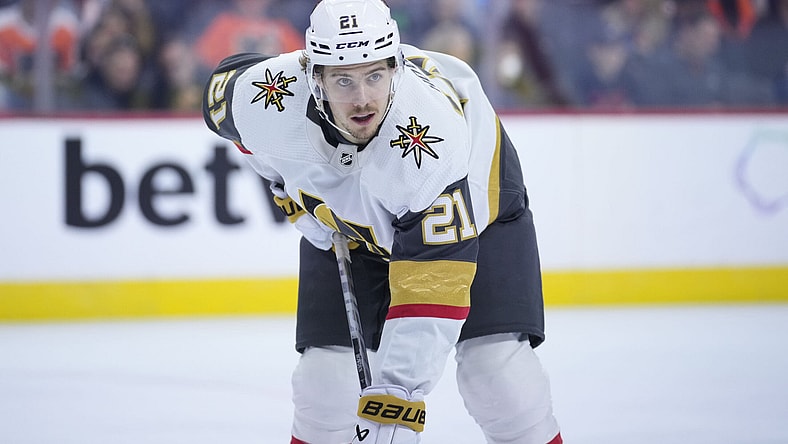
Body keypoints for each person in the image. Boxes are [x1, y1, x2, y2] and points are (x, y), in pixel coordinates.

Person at [202, 1, 563, 443]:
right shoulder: (271, 99)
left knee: (499, 378)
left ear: (396, 68)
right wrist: (285, 186)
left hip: (477, 215)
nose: (362, 98)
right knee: (324, 386)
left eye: (375, 75)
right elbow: (223, 99)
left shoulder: (428, 148)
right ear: (313, 78)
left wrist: (395, 406)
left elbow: (431, 293)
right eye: (343, 79)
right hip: (354, 230)